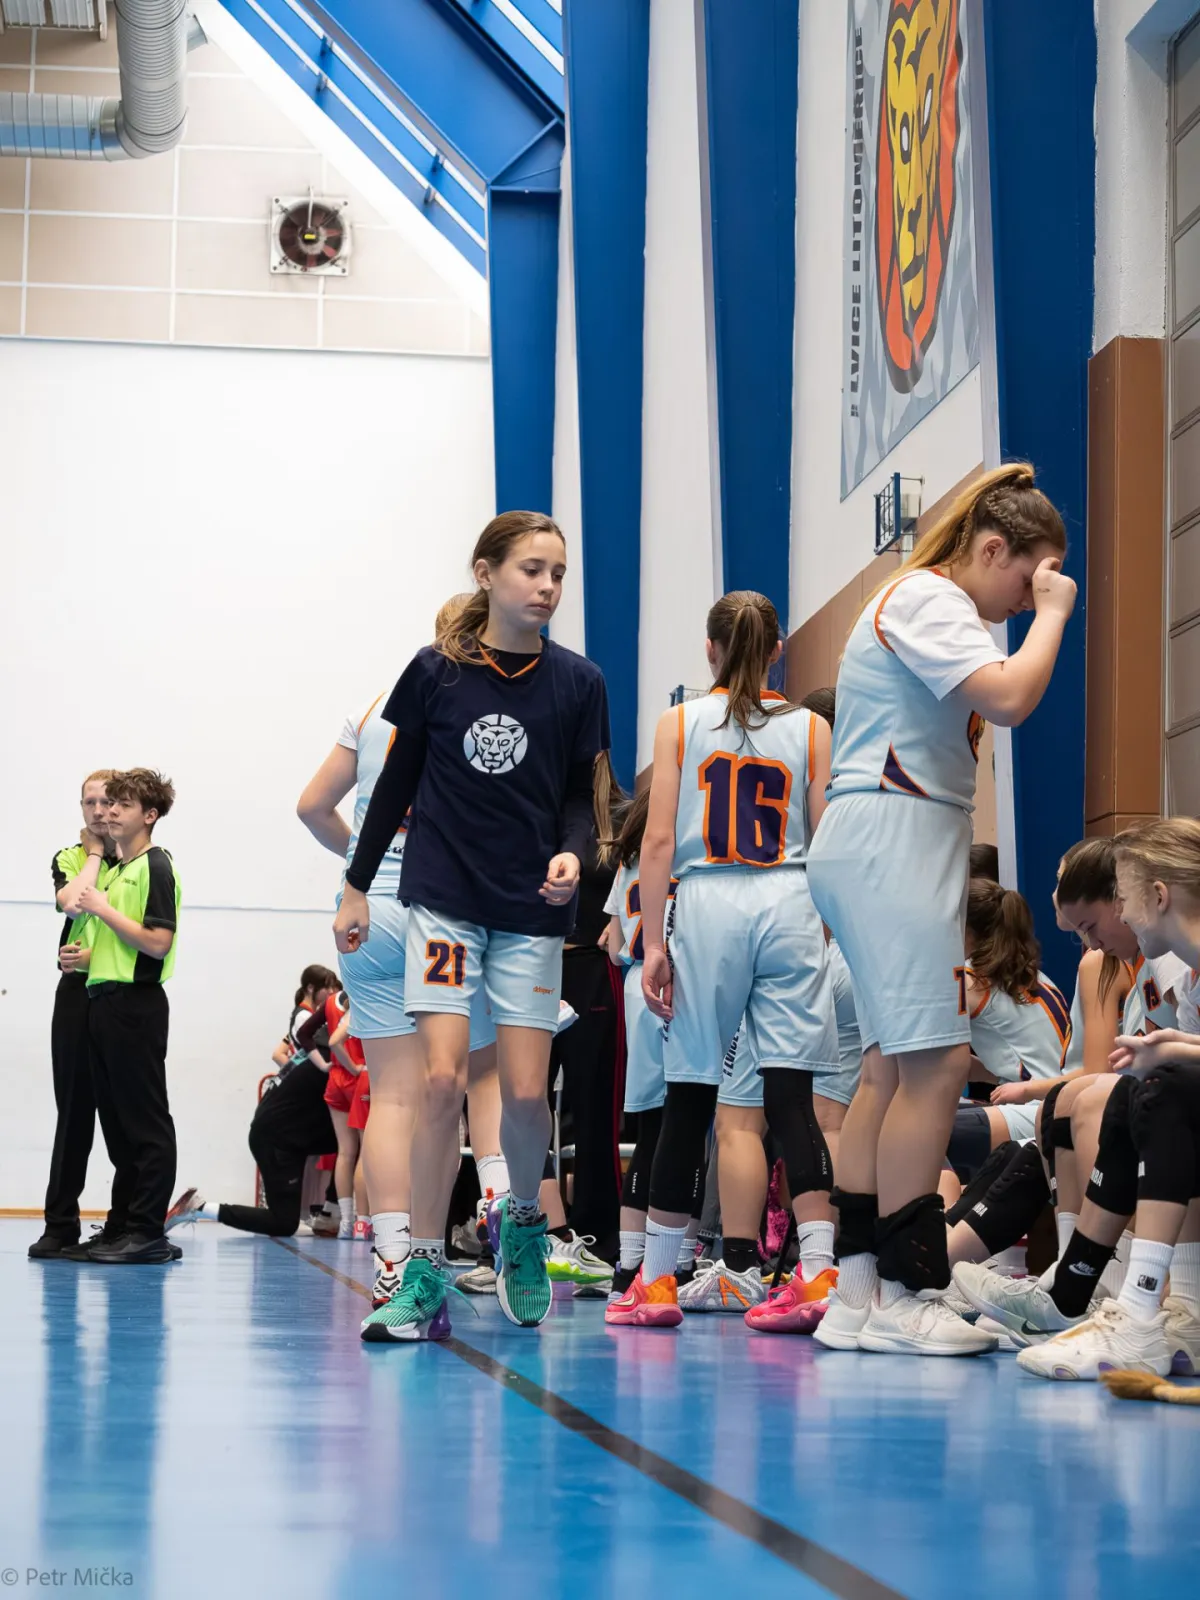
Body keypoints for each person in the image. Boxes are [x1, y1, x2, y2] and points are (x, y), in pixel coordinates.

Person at [805, 461, 1075, 1356]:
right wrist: (1057, 614)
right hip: (894, 836)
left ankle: (858, 1295)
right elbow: (1012, 698)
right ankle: (909, 1287)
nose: (1024, 602)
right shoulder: (929, 598)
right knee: (938, 1065)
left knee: (889, 1071)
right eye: (1024, 580)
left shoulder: (929, 601)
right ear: (991, 549)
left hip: (896, 836)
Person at [335, 511, 610, 1341]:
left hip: (529, 913)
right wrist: (356, 886)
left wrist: (573, 853)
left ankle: (521, 1221)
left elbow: (578, 796)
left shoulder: (579, 683)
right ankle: (421, 1270)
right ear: (486, 573)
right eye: (532, 569)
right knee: (441, 1081)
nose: (548, 587)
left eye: (558, 573)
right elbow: (394, 785)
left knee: (524, 1092)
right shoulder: (436, 674)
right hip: (444, 904)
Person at [610, 590, 841, 1332]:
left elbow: (655, 842)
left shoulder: (680, 722)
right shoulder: (811, 727)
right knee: (791, 1098)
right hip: (791, 896)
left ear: (709, 649)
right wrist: (824, 922)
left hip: (709, 898)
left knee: (688, 1095)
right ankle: (818, 1272)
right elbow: (829, 838)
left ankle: (655, 1281)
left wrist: (653, 944)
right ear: (777, 650)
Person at [1009, 819, 1200, 1380]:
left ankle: (1136, 1309)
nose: (1123, 913)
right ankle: (1178, 1307)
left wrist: (1176, 1055)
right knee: (1135, 1091)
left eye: (1124, 899)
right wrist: (1172, 1048)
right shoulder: (1189, 980)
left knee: (1165, 1090)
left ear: (1158, 896)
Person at [72, 770, 181, 1265]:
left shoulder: (156, 866)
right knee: (117, 1125)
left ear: (150, 815)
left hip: (136, 1007)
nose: (110, 812)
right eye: (108, 803)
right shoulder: (119, 870)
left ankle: (148, 1231)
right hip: (104, 1003)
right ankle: (123, 1226)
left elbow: (157, 942)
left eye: (123, 805)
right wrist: (86, 959)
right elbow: (121, 946)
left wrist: (102, 909)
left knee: (146, 1122)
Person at [598, 790, 696, 1305]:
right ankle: (679, 1259)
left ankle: (628, 1264)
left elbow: (615, 947)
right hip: (681, 986)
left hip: (639, 989)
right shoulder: (693, 854)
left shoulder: (627, 866)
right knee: (688, 1126)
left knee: (650, 1131)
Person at [29, 772, 120, 1260]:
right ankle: (60, 1224)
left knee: (124, 1115)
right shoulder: (70, 857)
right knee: (73, 1112)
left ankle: (125, 1224)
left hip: (122, 993)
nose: (99, 810)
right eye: (90, 802)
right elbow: (70, 902)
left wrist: (95, 957)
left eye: (108, 801)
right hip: (75, 996)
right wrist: (94, 854)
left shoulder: (143, 860)